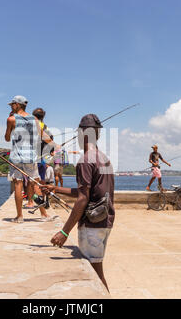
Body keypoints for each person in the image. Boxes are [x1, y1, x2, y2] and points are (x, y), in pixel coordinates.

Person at [41, 114, 115, 292]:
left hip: (92, 226)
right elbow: (87, 193)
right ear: (97, 134)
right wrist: (55, 189)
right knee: (97, 272)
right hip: (105, 221)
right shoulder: (104, 159)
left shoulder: (85, 161)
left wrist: (64, 232)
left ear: (82, 134)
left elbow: (82, 199)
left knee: (96, 276)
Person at [4, 95, 52, 223]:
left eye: (12, 104)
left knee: (18, 184)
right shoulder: (35, 119)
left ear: (18, 105)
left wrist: (10, 122)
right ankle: (44, 214)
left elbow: (7, 138)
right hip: (31, 156)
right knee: (36, 184)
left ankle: (19, 217)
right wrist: (53, 146)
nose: (11, 107)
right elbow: (45, 137)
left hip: (17, 157)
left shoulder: (11, 119)